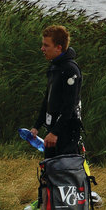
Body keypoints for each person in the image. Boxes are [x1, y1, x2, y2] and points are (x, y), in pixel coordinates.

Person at [30, 25, 83, 159]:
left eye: (46, 45)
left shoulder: (71, 70)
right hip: (52, 129)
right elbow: (47, 100)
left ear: (58, 47)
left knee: (65, 173)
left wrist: (55, 133)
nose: (42, 49)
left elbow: (69, 106)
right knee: (50, 170)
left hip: (67, 131)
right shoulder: (55, 67)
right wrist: (37, 126)